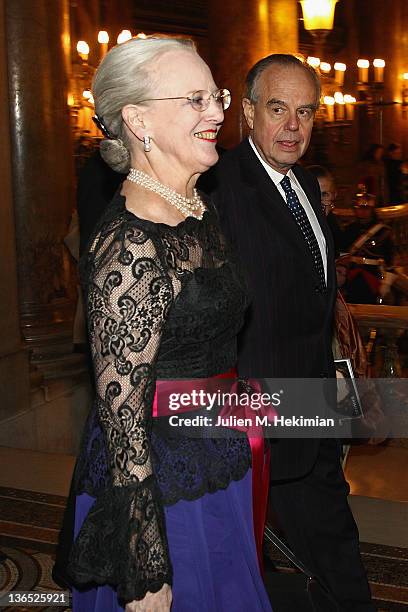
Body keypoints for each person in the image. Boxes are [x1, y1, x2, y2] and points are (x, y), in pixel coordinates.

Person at [64, 36, 272, 612]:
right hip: (162, 487)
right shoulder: (131, 244)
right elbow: (121, 414)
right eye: (195, 99)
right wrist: (144, 558)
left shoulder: (196, 208)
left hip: (218, 450)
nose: (217, 113)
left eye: (216, 96)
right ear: (137, 120)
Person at [212, 54, 376, 611]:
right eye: (277, 109)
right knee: (249, 562)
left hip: (312, 405)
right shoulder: (220, 187)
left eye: (304, 112)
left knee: (329, 543)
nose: (292, 126)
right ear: (249, 111)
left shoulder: (304, 183)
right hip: (255, 418)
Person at [307, 164, 345, 256]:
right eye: (314, 194)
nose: (319, 201)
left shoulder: (332, 226)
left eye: (324, 194)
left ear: (334, 195)